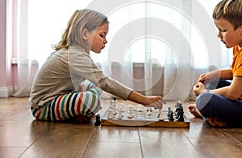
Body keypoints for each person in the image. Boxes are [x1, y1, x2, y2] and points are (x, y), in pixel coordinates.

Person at [29, 9, 165, 122]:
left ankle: (76, 112)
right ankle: (77, 111)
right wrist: (143, 100)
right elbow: (105, 82)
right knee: (92, 99)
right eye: (102, 35)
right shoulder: (75, 55)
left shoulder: (77, 53)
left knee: (92, 86)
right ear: (85, 33)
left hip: (59, 97)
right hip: (43, 106)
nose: (105, 41)